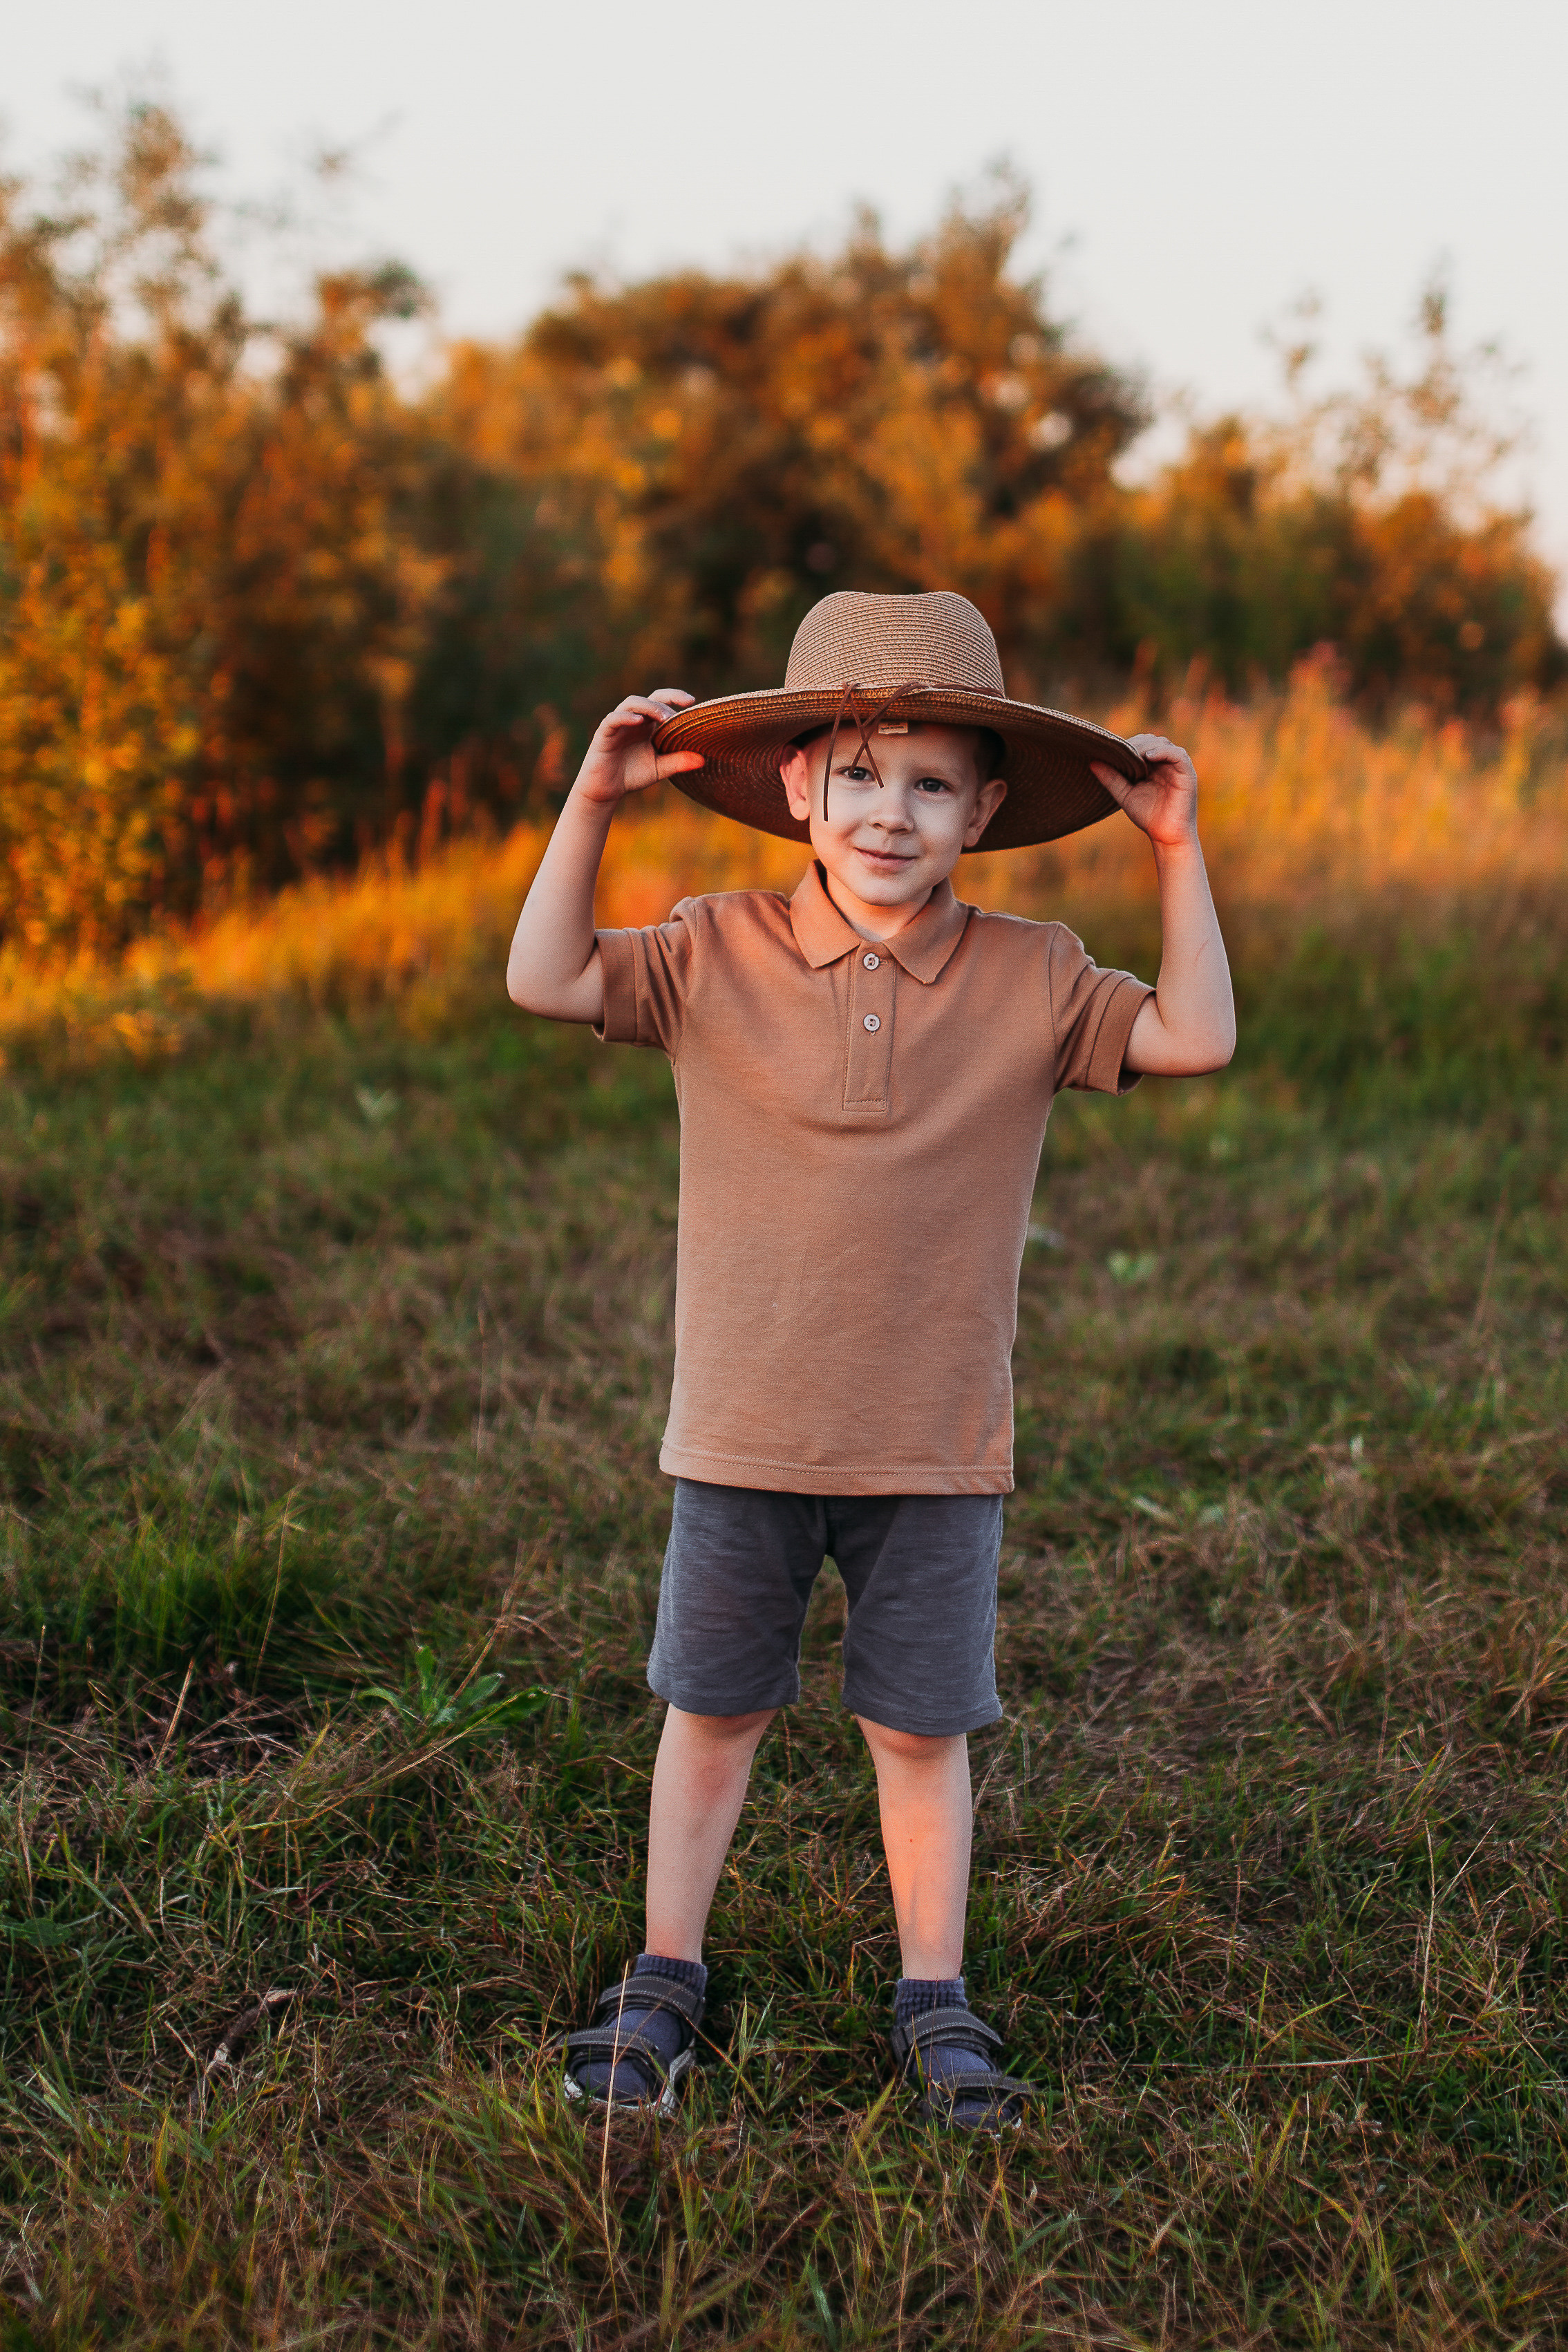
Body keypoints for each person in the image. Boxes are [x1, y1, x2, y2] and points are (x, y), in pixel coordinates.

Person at [507, 590, 1235, 2129]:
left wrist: (1174, 849)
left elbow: (1194, 1036)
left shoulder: (1032, 974)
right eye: (854, 773)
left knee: (919, 1728)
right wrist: (589, 799)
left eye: (925, 783)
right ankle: (663, 1975)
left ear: (981, 808)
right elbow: (544, 978)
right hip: (745, 1433)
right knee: (711, 1712)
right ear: (794, 787)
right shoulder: (714, 947)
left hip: (931, 1445)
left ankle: (932, 1995)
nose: (885, 813)